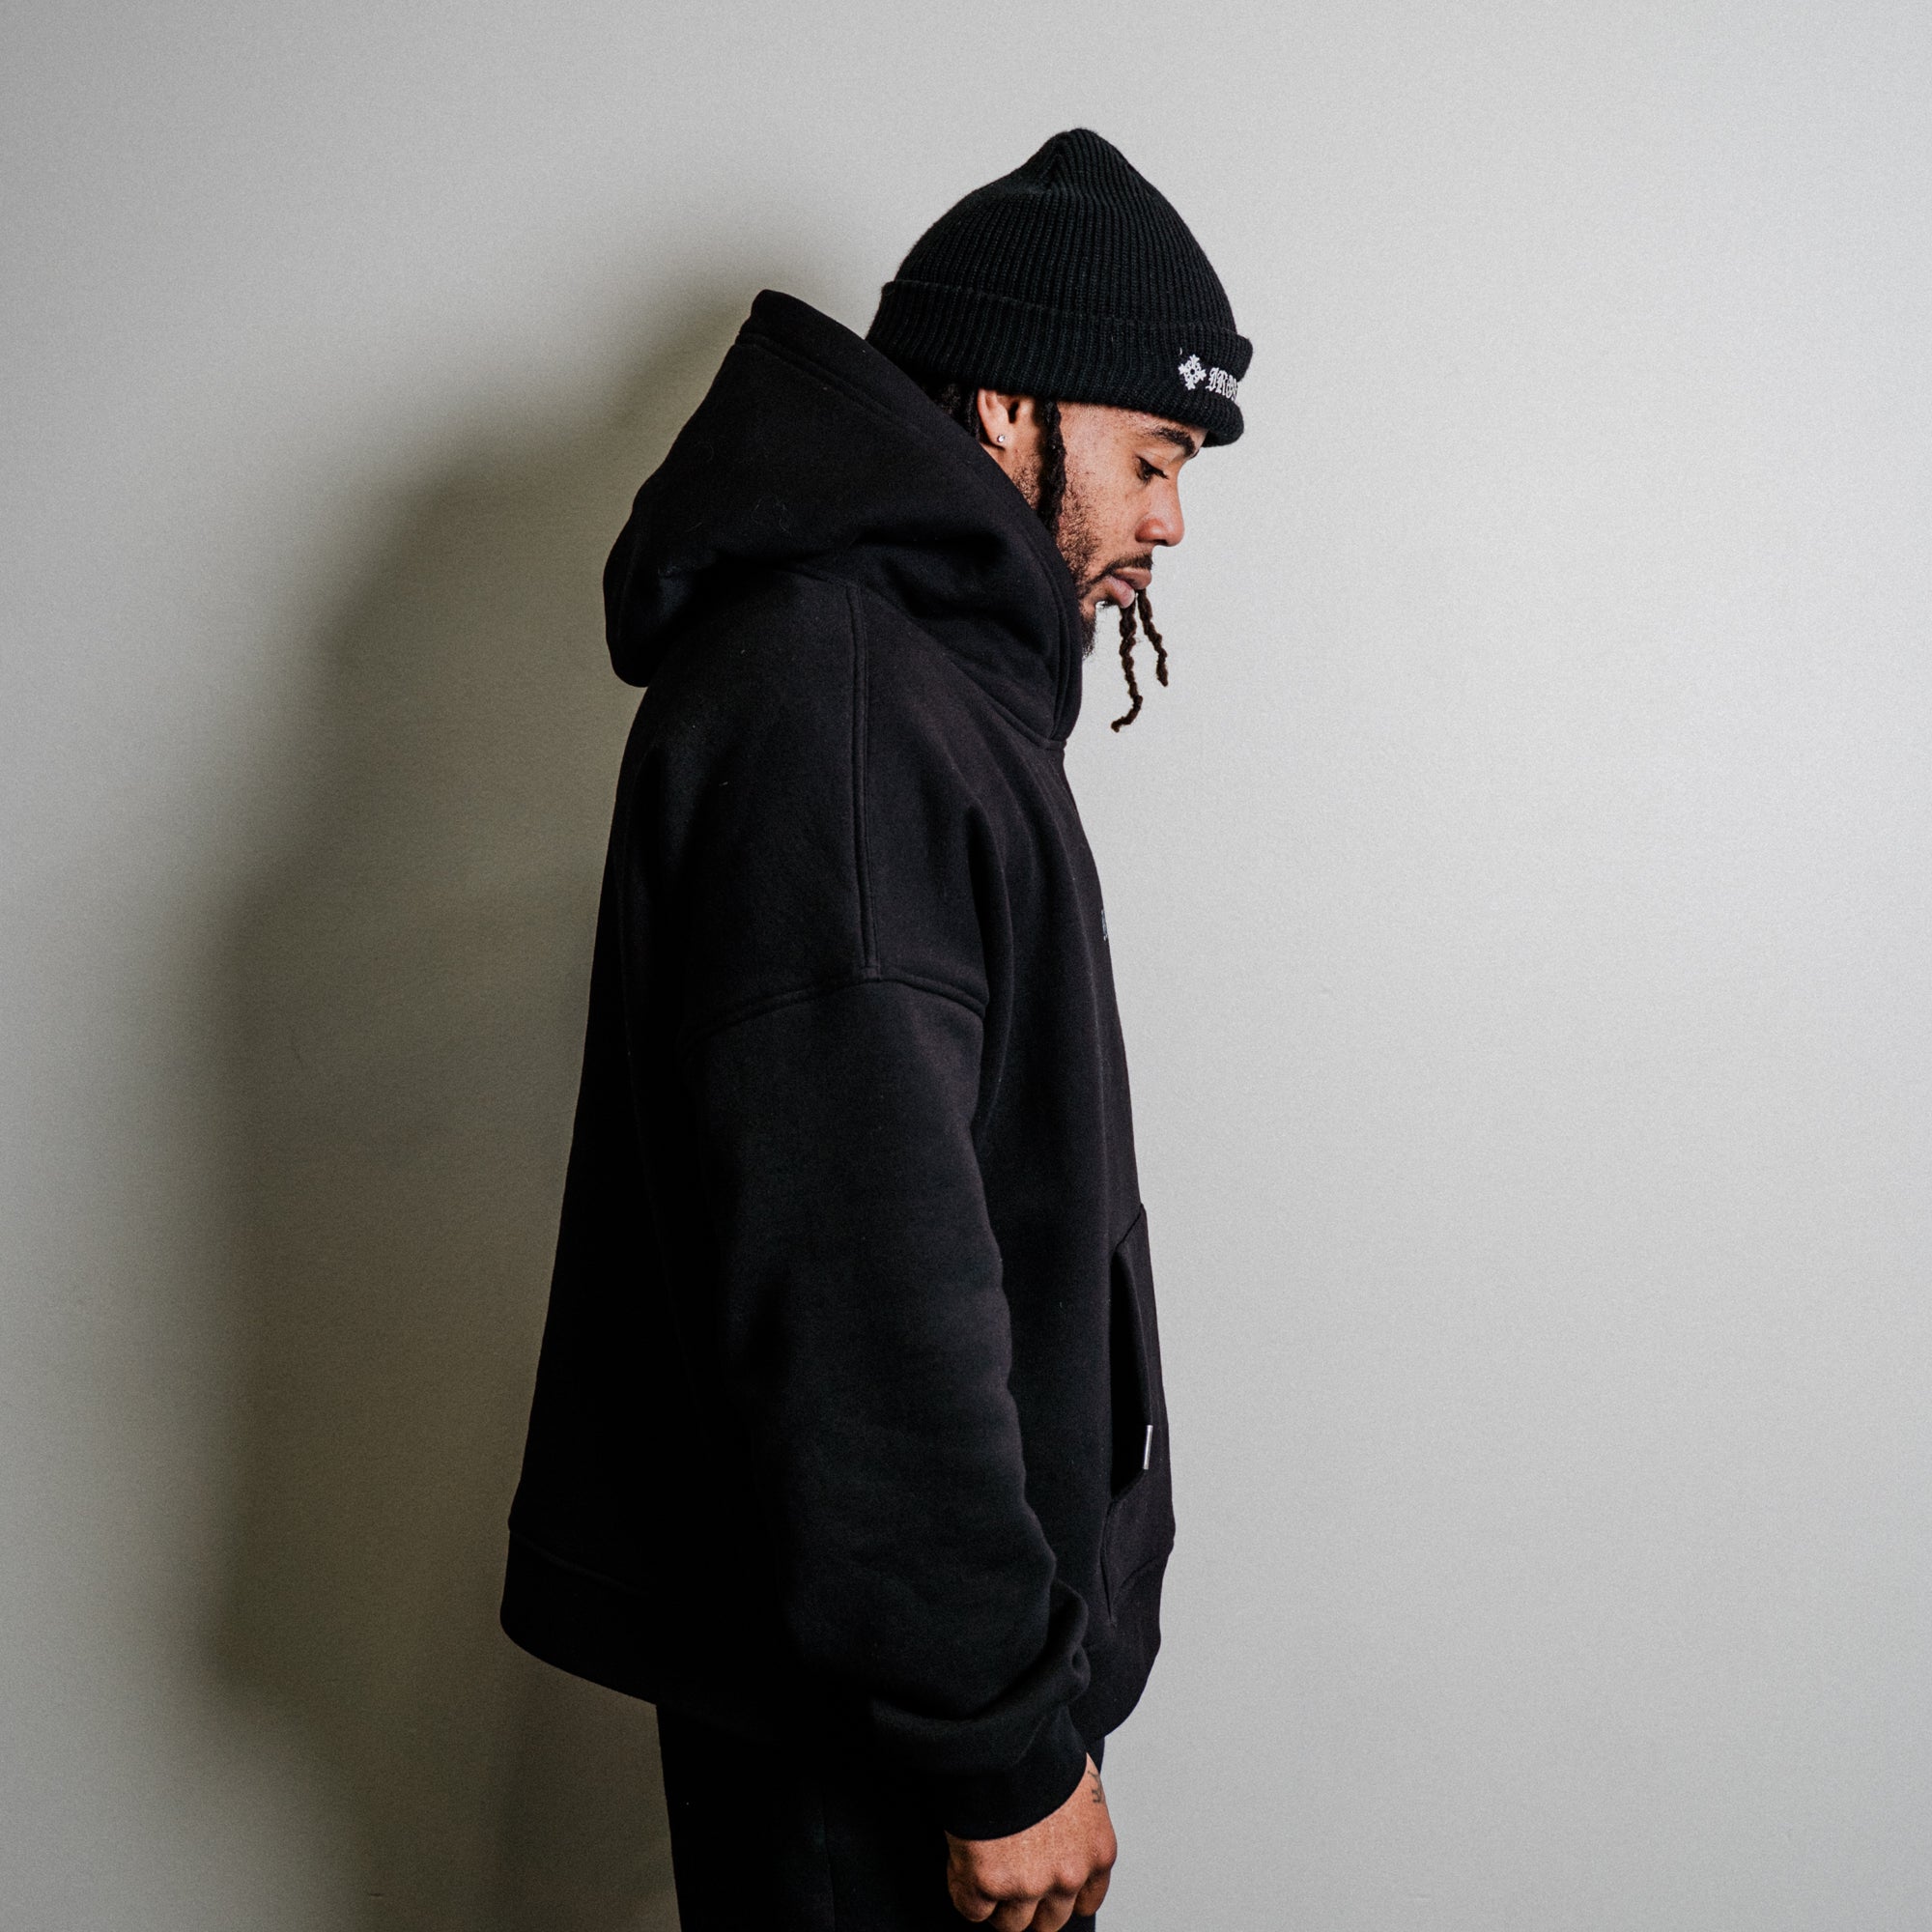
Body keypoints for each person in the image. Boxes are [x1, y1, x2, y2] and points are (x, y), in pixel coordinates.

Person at [501, 128, 1251, 1930]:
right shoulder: (841, 707)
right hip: (883, 1729)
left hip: (909, 1686)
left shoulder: (912, 686)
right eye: (1153, 458)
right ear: (1007, 409)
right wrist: (995, 1742)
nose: (1169, 522)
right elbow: (861, 1278)